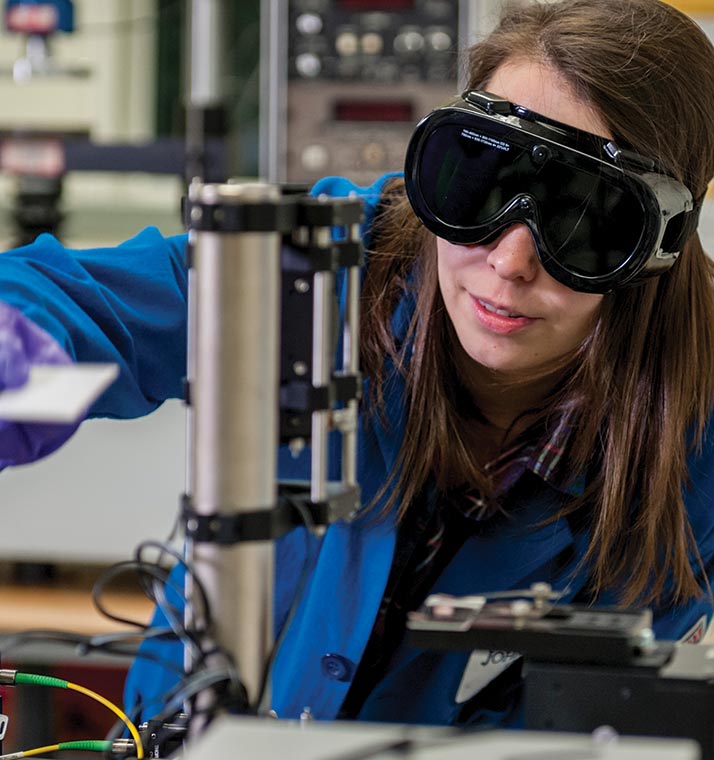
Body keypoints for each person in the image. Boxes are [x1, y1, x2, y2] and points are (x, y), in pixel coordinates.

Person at [0, 0, 713, 730]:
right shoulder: (328, 268)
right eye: (479, 186)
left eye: (584, 222)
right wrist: (18, 335)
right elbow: (87, 298)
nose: (508, 260)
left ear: (658, 242)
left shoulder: (700, 431)